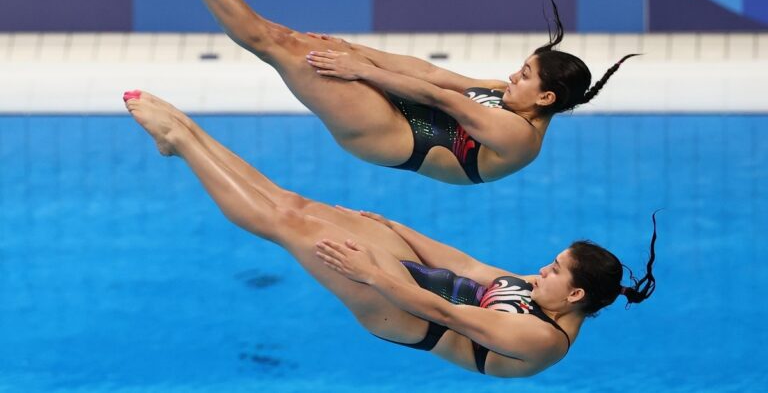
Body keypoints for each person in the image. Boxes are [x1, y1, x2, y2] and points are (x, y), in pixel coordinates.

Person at [123, 90, 657, 377]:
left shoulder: (540, 339)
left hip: (404, 313)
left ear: (576, 295)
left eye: (555, 271)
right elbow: (469, 269)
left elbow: (444, 313)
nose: (543, 269)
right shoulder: (546, 296)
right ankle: (189, 136)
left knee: (285, 226)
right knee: (299, 206)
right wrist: (394, 227)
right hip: (423, 278)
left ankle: (182, 140)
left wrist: (374, 272)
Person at [154, 0, 638, 185]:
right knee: (291, 40)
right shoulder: (502, 92)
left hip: (391, 136)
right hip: (404, 108)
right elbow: (431, 74)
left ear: (546, 99)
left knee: (272, 43)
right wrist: (356, 49)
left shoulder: (519, 138)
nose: (513, 76)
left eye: (526, 76)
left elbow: (439, 97)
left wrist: (359, 70)